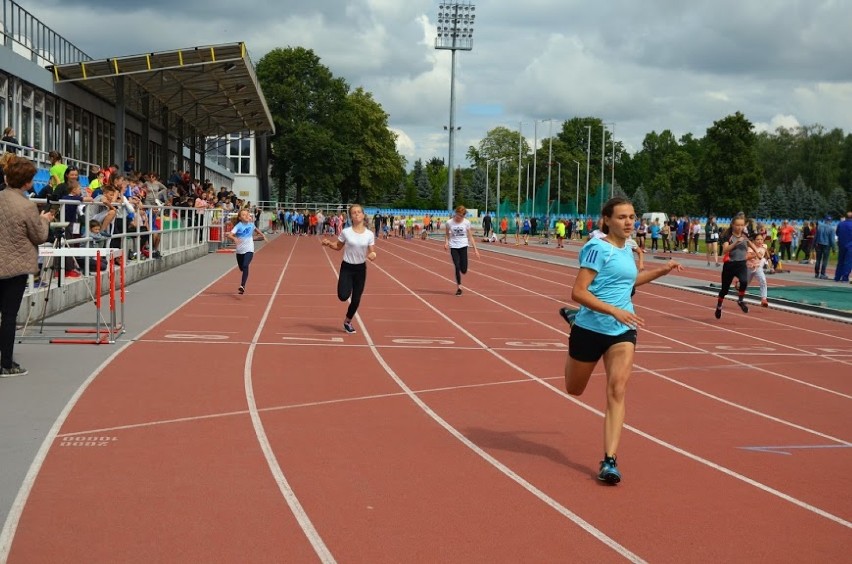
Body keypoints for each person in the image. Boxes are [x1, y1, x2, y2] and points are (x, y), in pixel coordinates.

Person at [563, 197, 683, 484]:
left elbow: (626, 284)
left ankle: (609, 460)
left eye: (632, 216)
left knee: (617, 389)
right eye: (622, 217)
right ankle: (574, 320)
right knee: (574, 389)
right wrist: (612, 309)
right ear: (606, 220)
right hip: (591, 328)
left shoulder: (628, 248)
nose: (629, 222)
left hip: (622, 330)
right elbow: (578, 292)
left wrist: (660, 272)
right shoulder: (596, 248)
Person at [0, 156, 54, 377]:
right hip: (16, 266)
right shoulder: (27, 206)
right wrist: (45, 219)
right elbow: (40, 236)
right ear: (28, 183)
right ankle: (6, 364)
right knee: (9, 315)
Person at [321, 204, 376, 334]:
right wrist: (329, 244)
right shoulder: (346, 232)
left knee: (356, 299)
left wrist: (373, 255)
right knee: (343, 296)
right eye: (353, 213)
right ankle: (347, 286)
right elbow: (338, 246)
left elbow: (372, 251)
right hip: (347, 267)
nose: (356, 214)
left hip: (360, 269)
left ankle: (347, 321)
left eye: (359, 212)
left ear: (363, 215)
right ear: (351, 216)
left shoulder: (369, 234)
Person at [714, 212, 759, 319]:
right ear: (733, 225)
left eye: (741, 225)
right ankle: (719, 306)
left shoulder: (744, 235)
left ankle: (740, 300)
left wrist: (757, 252)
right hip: (730, 265)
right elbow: (725, 250)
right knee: (724, 290)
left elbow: (749, 243)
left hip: (741, 264)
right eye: (737, 225)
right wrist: (735, 243)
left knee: (744, 281)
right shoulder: (728, 236)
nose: (739, 227)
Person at [226, 208, 267, 294]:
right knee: (242, 268)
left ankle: (242, 286)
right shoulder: (238, 226)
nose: (246, 216)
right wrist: (234, 238)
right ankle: (243, 280)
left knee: (245, 265)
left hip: (249, 249)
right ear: (240, 218)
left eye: (247, 214)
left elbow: (256, 229)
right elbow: (230, 235)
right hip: (240, 251)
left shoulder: (251, 224)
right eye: (244, 215)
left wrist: (262, 235)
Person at [444, 205, 481, 296]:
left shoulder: (466, 223)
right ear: (455, 213)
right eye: (458, 215)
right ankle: (459, 287)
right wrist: (446, 243)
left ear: (464, 216)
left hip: (464, 245)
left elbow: (470, 236)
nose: (459, 217)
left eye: (461, 216)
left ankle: (461, 267)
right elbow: (447, 234)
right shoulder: (449, 222)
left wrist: (476, 250)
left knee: (463, 270)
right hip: (454, 246)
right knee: (456, 265)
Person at [746, 233, 769, 307]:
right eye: (758, 239)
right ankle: (738, 284)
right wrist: (756, 254)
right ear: (754, 240)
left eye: (761, 239)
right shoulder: (750, 247)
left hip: (758, 267)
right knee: (745, 283)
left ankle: (764, 299)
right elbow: (747, 257)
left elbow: (765, 252)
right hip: (749, 268)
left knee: (763, 281)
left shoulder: (764, 246)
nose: (760, 241)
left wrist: (768, 257)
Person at [835, 211, 852, 282]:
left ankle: (837, 277)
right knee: (848, 262)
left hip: (841, 245)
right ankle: (845, 277)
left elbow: (837, 233)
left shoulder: (840, 224)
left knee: (840, 261)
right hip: (850, 245)